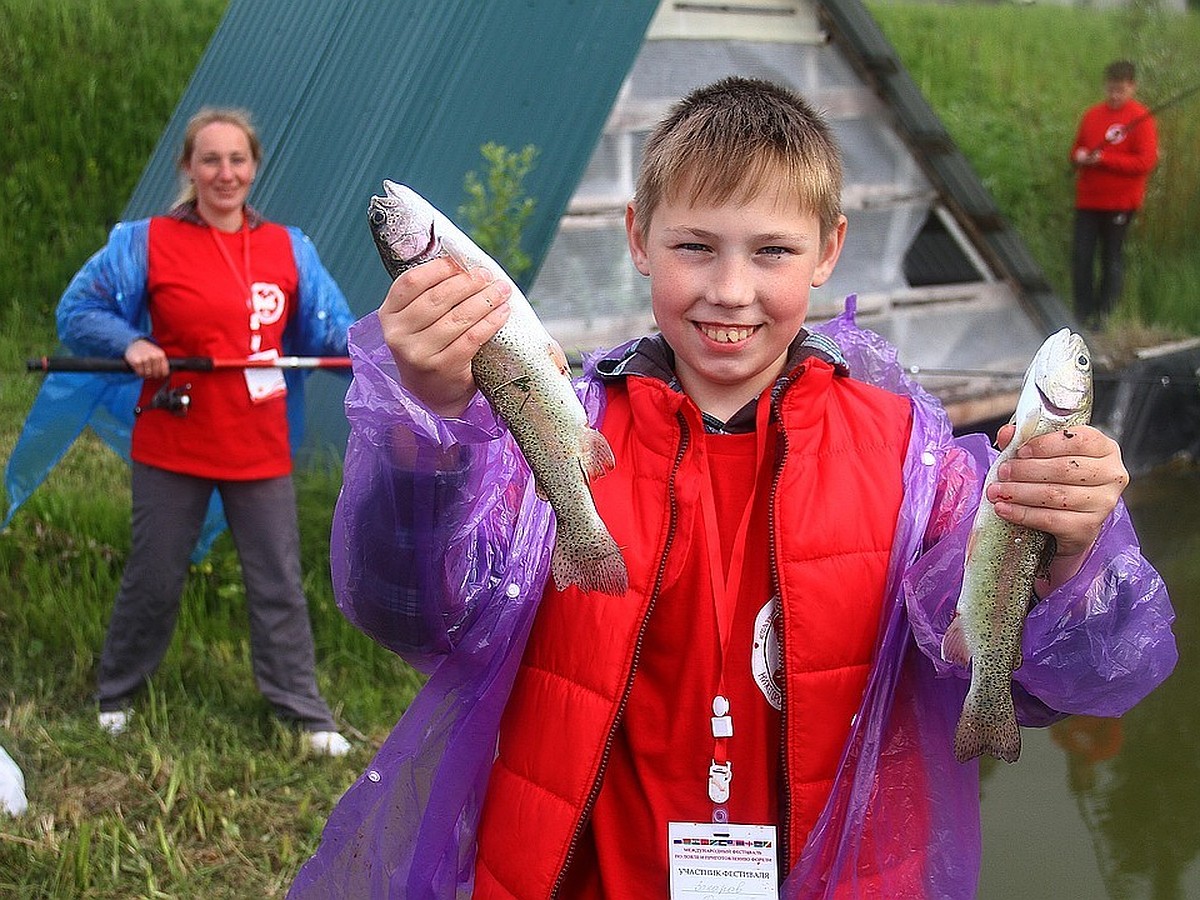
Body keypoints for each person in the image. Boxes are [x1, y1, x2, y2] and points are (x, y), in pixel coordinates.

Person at [290, 78, 1176, 896]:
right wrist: (429, 432)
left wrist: (1069, 550)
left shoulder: (923, 464)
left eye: (772, 251)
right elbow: (408, 610)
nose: (731, 290)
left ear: (830, 250)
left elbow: (1044, 683)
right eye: (694, 247)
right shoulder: (552, 436)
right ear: (638, 238)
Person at [55, 107, 355, 756]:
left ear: (254, 167)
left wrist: (397, 343)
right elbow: (78, 311)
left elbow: (334, 335)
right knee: (156, 574)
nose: (225, 173)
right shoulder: (145, 241)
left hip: (259, 444)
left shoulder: (289, 247)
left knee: (277, 580)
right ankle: (117, 693)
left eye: (237, 160)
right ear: (187, 167)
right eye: (211, 160)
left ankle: (303, 711)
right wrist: (130, 341)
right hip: (173, 436)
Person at [1069, 59, 1159, 328]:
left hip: (1121, 203)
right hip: (1088, 200)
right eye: (1110, 89)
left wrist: (1104, 159)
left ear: (1132, 87)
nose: (1114, 95)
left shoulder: (1141, 119)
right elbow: (1076, 151)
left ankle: (1104, 315)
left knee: (1112, 258)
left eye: (1120, 90)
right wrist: (1080, 156)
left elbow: (1145, 162)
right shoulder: (1092, 115)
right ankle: (1081, 312)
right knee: (1081, 257)